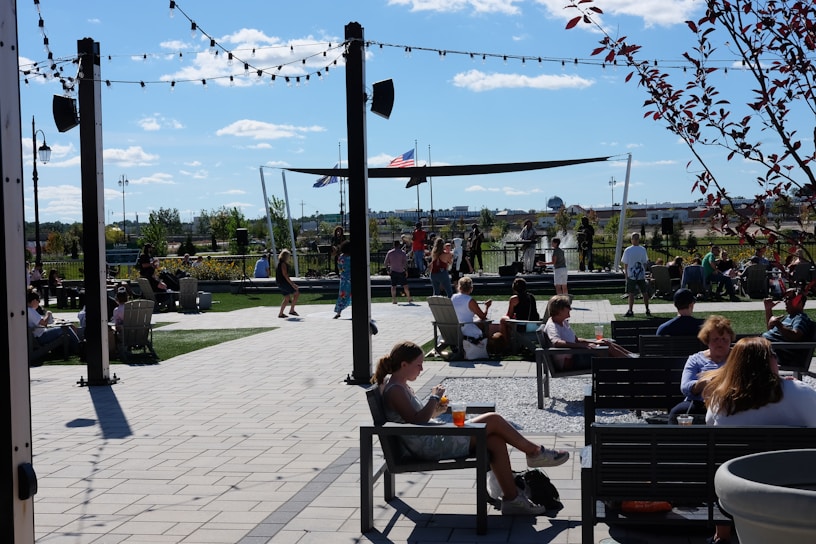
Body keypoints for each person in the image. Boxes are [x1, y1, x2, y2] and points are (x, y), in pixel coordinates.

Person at [371, 340, 569, 515]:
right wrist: (433, 398)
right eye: (418, 365)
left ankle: (512, 499)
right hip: (428, 445)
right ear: (404, 364)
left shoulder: (398, 384)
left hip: (430, 437)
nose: (421, 369)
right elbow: (416, 421)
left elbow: (416, 418)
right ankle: (535, 452)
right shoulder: (395, 389)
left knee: (494, 439)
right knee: (493, 419)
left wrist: (436, 410)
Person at [703, 336, 816, 544]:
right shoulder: (803, 394)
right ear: (768, 361)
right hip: (797, 492)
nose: (778, 359)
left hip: (738, 493)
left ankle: (721, 536)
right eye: (773, 354)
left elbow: (712, 429)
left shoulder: (720, 401)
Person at [667, 315, 735, 423]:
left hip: (731, 402)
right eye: (716, 339)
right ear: (707, 340)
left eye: (724, 339)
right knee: (678, 412)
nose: (720, 343)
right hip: (700, 403)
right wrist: (704, 383)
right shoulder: (695, 360)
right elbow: (685, 387)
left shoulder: (738, 357)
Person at [541, 295, 632, 369]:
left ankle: (632, 357)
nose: (570, 309)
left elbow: (575, 340)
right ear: (559, 310)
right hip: (570, 360)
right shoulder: (552, 325)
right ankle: (634, 363)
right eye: (567, 306)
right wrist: (583, 346)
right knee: (607, 351)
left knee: (606, 343)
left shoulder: (563, 322)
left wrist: (594, 342)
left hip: (577, 355)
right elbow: (557, 342)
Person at [762, 287, 815, 364]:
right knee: (741, 345)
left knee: (742, 348)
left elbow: (795, 335)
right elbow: (771, 330)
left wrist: (778, 324)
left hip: (781, 354)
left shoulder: (800, 318)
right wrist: (768, 309)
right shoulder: (789, 317)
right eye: (784, 298)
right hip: (770, 348)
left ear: (799, 301)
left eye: (788, 298)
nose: (785, 301)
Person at [27, 290, 81, 355]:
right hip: (41, 336)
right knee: (67, 328)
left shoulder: (29, 310)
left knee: (68, 326)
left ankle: (76, 347)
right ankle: (79, 347)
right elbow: (44, 323)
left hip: (40, 333)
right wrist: (48, 314)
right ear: (34, 301)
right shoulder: (30, 311)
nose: (39, 303)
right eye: (38, 301)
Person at [451, 276, 491, 341]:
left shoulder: (453, 297)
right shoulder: (470, 301)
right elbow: (482, 316)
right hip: (466, 329)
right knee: (485, 321)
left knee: (477, 320)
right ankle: (486, 344)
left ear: (459, 287)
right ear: (471, 288)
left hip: (454, 327)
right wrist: (487, 306)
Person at [621, 232, 651, 317]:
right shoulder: (642, 249)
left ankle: (630, 310)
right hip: (641, 274)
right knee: (644, 292)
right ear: (638, 239)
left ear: (632, 240)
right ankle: (647, 309)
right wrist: (643, 272)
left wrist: (626, 275)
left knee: (631, 293)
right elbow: (645, 262)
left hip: (631, 274)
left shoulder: (628, 250)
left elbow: (625, 264)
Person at [276, 249, 300, 318]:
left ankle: (281, 314)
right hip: (283, 283)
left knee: (287, 298)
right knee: (296, 293)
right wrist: (292, 284)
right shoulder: (283, 264)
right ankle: (292, 310)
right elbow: (285, 275)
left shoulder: (279, 263)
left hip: (280, 282)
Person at [333, 240, 352, 319]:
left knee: (342, 294)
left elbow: (339, 268)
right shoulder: (351, 257)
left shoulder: (341, 257)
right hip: (351, 277)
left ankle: (338, 312)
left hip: (344, 278)